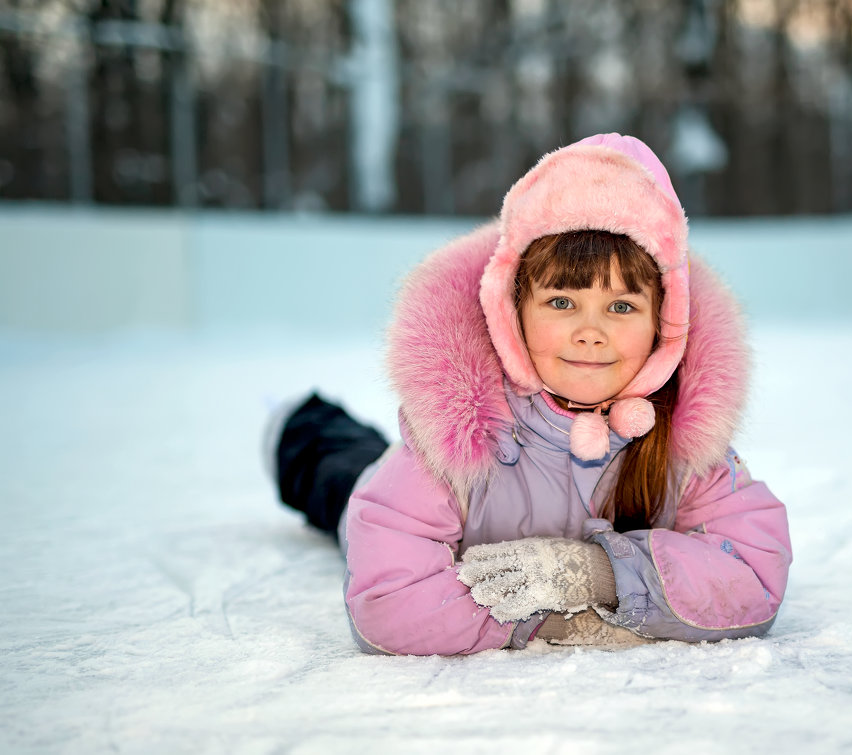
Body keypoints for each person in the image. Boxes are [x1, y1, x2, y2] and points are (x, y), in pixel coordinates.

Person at [265, 133, 793, 655]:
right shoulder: (460, 434)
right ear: (512, 312)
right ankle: (298, 424)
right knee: (339, 471)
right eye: (562, 302)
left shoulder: (684, 440)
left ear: (665, 323)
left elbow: (754, 572)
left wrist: (599, 577)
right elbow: (387, 599)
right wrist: (547, 621)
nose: (591, 331)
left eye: (622, 307)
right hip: (373, 490)